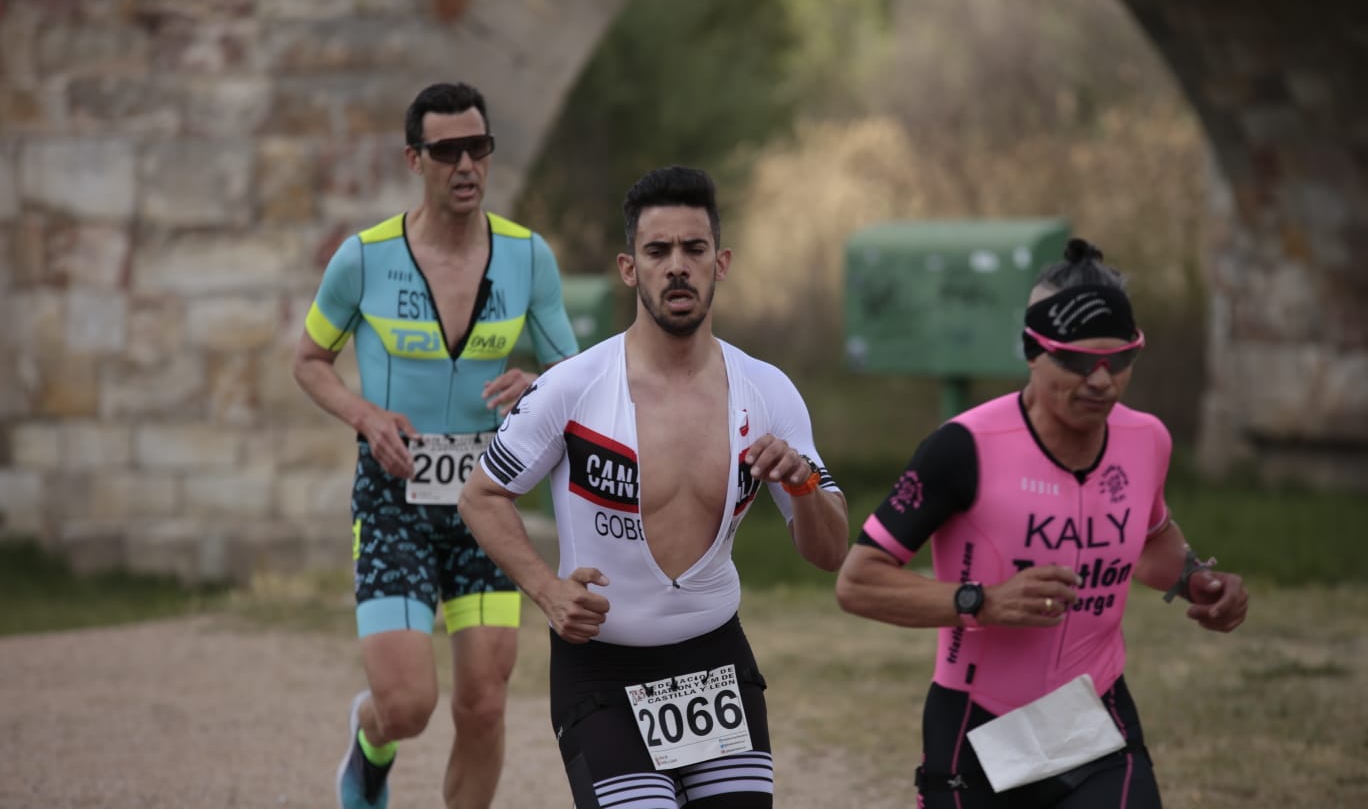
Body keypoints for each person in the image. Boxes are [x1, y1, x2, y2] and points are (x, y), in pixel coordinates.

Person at [457, 165, 850, 808]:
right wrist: (547, 591)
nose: (677, 267)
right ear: (628, 268)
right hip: (602, 669)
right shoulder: (571, 388)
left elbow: (831, 553)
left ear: (721, 262)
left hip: (715, 663)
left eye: (694, 249)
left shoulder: (767, 391)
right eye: (657, 250)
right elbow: (481, 495)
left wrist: (804, 485)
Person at [835, 238, 1249, 808]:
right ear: (1034, 352)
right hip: (978, 723)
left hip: (1094, 713)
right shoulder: (963, 447)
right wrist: (982, 602)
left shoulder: (1146, 439)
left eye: (1119, 360)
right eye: (1077, 362)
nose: (1101, 381)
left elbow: (1151, 540)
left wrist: (1196, 579)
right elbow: (858, 583)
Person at [292, 81, 580, 809]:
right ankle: (370, 740)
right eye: (447, 151)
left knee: (483, 704)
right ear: (414, 159)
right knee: (408, 704)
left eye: (477, 148)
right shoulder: (364, 259)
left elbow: (576, 377)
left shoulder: (527, 257)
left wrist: (537, 384)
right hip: (393, 498)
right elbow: (310, 361)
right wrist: (366, 416)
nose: (466, 166)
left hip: (486, 498)